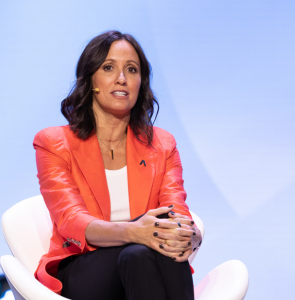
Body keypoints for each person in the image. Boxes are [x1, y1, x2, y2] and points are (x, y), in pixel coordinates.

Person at [33, 30, 202, 300]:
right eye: (109, 67)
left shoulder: (163, 143)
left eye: (132, 70)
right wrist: (135, 231)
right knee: (148, 245)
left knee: (143, 251)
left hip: (144, 259)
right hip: (83, 267)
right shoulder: (53, 142)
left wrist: (189, 233)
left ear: (141, 84)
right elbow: (71, 221)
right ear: (91, 80)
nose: (121, 78)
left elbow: (175, 208)